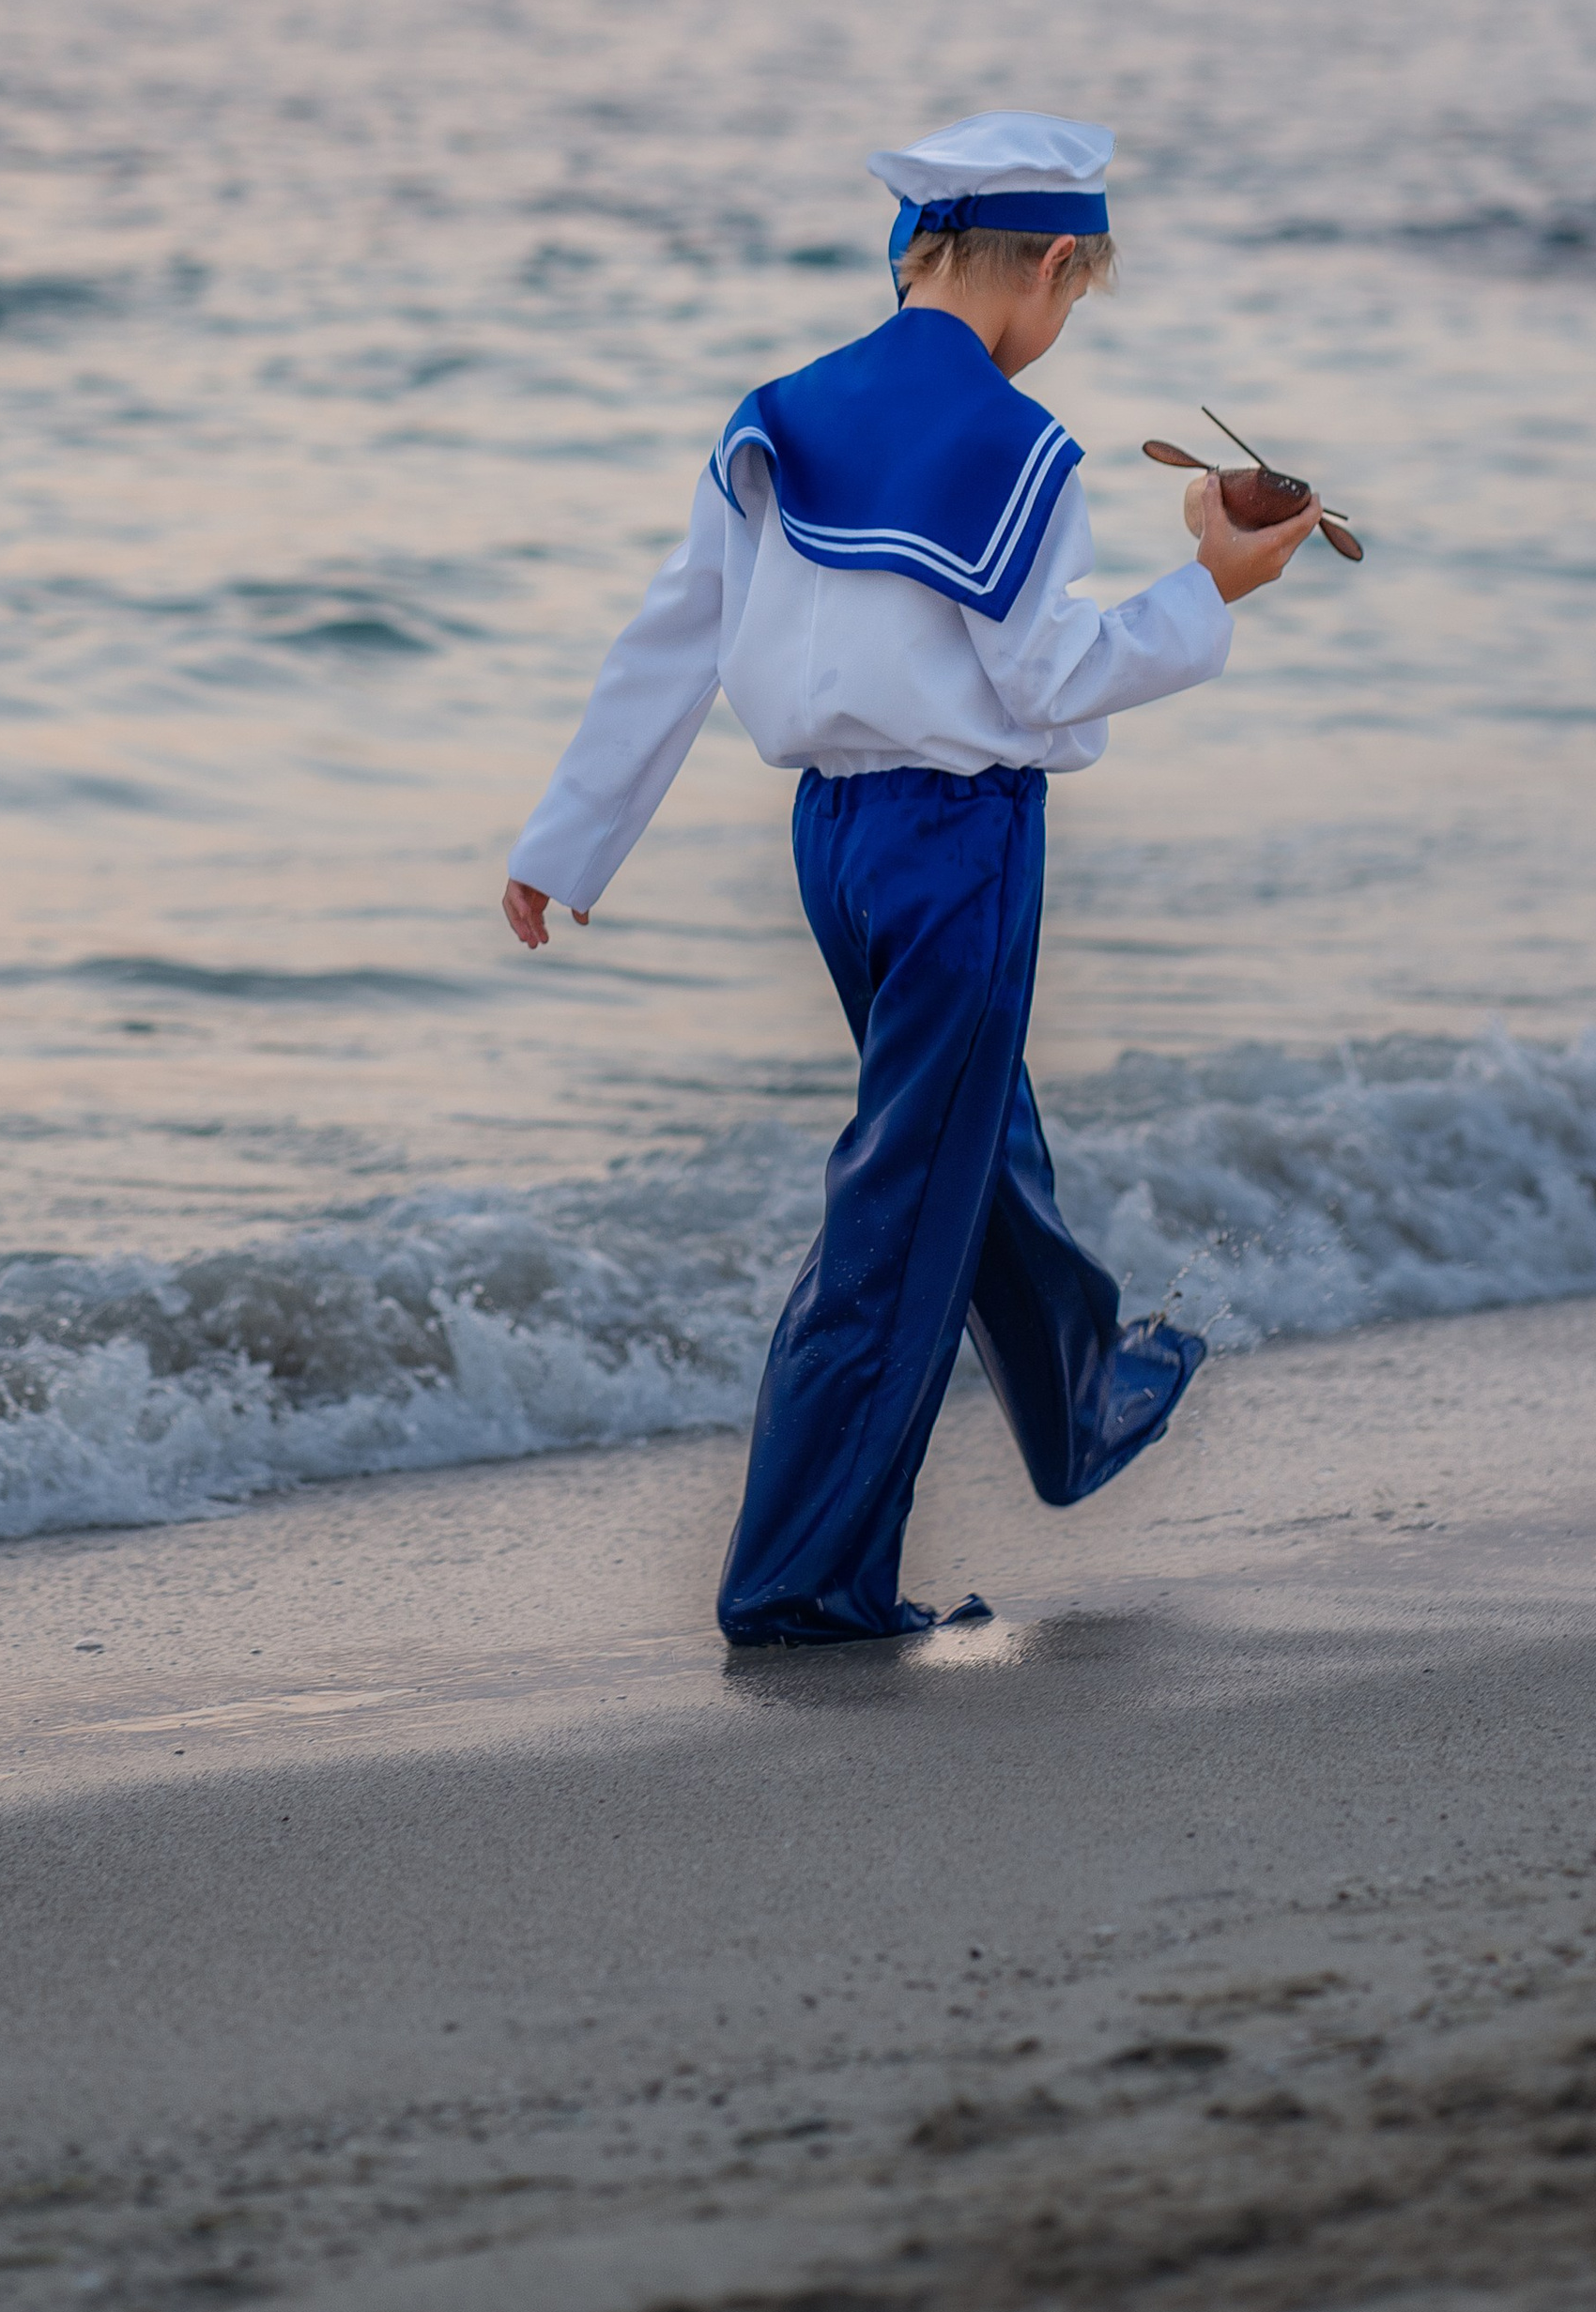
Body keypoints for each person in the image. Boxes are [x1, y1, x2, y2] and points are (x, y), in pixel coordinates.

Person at [501, 112, 1318, 1644]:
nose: (1061, 333)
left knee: (961, 1135)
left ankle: (1080, 1401)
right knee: (901, 1204)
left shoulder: (777, 412)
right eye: (1074, 302)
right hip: (960, 841)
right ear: (1056, 265)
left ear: (911, 252)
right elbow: (1053, 676)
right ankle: (800, 1582)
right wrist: (1210, 584)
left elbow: (674, 640)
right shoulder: (1020, 448)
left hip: (833, 845)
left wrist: (567, 843)